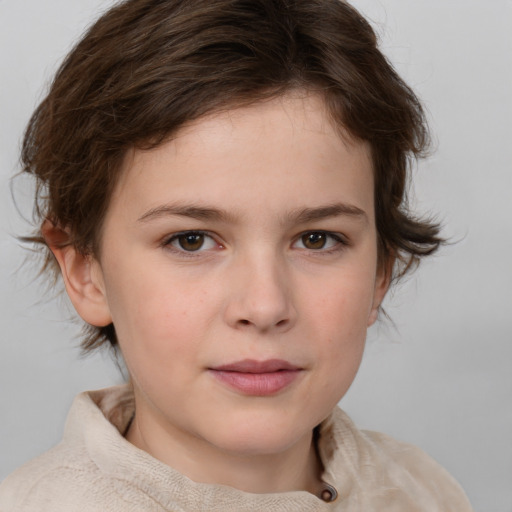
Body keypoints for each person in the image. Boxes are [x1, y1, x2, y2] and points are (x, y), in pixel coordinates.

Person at [0, 0, 474, 510]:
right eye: (192, 240)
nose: (265, 305)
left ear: (380, 272)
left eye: (317, 238)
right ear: (84, 270)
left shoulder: (426, 492)